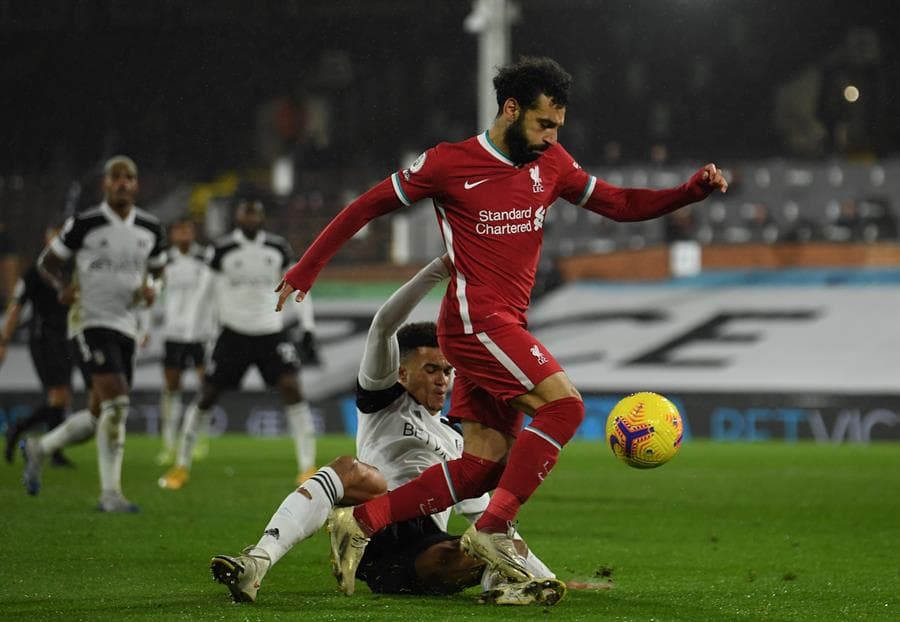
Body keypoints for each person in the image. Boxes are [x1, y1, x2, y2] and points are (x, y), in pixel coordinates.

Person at [274, 56, 729, 593]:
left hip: (501, 324)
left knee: (480, 468)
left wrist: (688, 193)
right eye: (544, 124)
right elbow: (366, 207)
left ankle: (361, 523)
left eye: (558, 126)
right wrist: (308, 267)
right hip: (473, 322)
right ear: (511, 109)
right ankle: (493, 529)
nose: (552, 137)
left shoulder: (552, 162)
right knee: (565, 407)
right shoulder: (448, 163)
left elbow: (619, 203)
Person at [210, 257, 567, 606]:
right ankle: (257, 561)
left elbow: (487, 520)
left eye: (447, 371)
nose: (442, 380)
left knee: (495, 541)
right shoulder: (384, 400)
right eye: (430, 369)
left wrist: (543, 574)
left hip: (424, 552)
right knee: (352, 469)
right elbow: (383, 325)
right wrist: (440, 268)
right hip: (372, 529)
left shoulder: (461, 442)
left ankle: (508, 587)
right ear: (402, 373)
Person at [26, 155, 167, 512]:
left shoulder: (151, 228)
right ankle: (110, 494)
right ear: (105, 184)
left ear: (136, 185)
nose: (122, 183)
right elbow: (46, 263)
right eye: (116, 177)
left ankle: (40, 448)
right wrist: (62, 286)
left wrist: (153, 289)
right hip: (89, 320)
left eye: (129, 177)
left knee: (97, 415)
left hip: (125, 324)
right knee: (117, 402)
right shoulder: (84, 224)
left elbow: (158, 273)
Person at [158, 198, 316, 490]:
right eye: (246, 211)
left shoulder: (278, 248)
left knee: (292, 389)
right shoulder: (221, 250)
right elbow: (203, 294)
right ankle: (180, 465)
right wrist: (191, 337)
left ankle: (307, 468)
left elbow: (300, 282)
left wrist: (307, 326)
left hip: (270, 332)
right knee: (206, 394)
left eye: (256, 211)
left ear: (262, 216)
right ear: (238, 216)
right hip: (233, 334)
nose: (251, 216)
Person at [1, 226, 76, 467]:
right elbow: (16, 308)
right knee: (59, 396)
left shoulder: (70, 272)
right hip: (43, 339)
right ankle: (20, 431)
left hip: (66, 338)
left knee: (62, 399)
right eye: (52, 239)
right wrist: (3, 341)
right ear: (46, 242)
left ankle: (52, 450)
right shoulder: (34, 273)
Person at [155, 216, 215, 466]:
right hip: (173, 333)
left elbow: (214, 293)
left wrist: (214, 326)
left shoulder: (206, 258)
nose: (184, 235)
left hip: (200, 334)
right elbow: (153, 292)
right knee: (172, 388)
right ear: (172, 235)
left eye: (187, 230)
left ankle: (200, 439)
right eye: (179, 230)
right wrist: (145, 327)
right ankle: (168, 444)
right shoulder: (164, 260)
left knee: (205, 388)